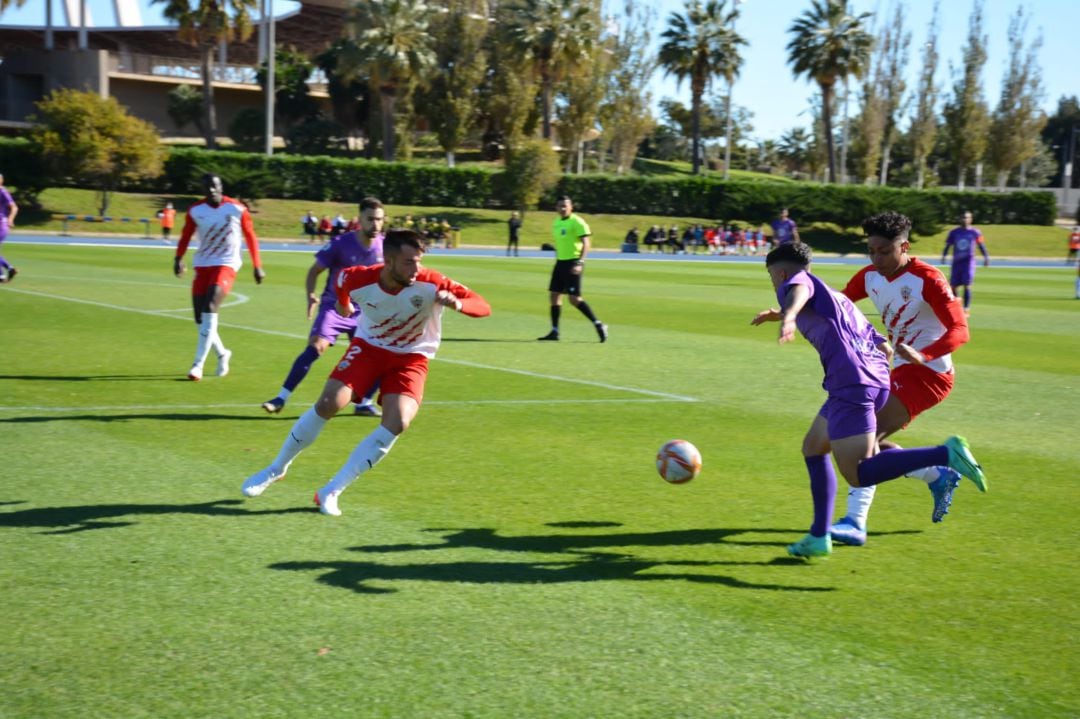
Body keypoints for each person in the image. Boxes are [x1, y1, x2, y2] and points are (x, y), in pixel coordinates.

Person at [751, 241, 987, 558]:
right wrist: (782, 313)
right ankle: (819, 535)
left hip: (852, 385)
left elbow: (798, 290)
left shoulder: (793, 283)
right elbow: (877, 341)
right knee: (814, 447)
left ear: (779, 272)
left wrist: (789, 314)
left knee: (859, 471)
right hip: (870, 380)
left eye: (772, 276)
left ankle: (944, 454)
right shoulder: (836, 297)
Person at [241, 229, 491, 516]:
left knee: (398, 422)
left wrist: (458, 303)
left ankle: (331, 490)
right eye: (409, 262)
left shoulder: (432, 282)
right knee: (329, 402)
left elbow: (483, 305)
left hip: (412, 358)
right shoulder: (359, 277)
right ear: (388, 259)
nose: (416, 268)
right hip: (369, 348)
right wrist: (343, 305)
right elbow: (341, 283)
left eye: (419, 261)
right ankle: (276, 469)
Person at [829, 211, 972, 546]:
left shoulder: (929, 279)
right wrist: (790, 310)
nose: (876, 259)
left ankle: (854, 522)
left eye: (884, 251)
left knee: (861, 439)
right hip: (900, 371)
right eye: (871, 252)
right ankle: (936, 474)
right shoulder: (870, 276)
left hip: (931, 375)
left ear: (904, 246)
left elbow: (961, 330)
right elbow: (837, 304)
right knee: (866, 443)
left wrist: (924, 354)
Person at [262, 197, 387, 417]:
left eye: (379, 219)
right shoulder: (341, 243)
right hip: (335, 307)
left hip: (365, 312)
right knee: (316, 347)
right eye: (370, 219)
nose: (375, 224)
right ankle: (281, 398)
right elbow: (314, 271)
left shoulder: (385, 247)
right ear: (360, 219)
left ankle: (364, 403)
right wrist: (311, 295)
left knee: (381, 356)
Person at [173, 173, 265, 381]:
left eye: (215, 186)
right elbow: (186, 235)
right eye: (207, 187)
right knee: (200, 318)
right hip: (203, 264)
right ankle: (223, 354)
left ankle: (198, 365)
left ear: (221, 187)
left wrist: (257, 265)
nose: (212, 190)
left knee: (210, 307)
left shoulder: (236, 208)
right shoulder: (196, 210)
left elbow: (251, 236)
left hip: (227, 264)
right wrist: (178, 258)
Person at [537, 196, 608, 342]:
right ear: (556, 208)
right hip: (560, 263)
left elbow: (586, 243)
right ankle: (555, 331)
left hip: (573, 262)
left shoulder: (577, 221)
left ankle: (599, 324)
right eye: (560, 206)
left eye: (565, 206)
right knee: (554, 296)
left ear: (571, 207)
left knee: (574, 299)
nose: (562, 209)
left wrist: (580, 262)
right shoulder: (556, 222)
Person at [941, 210, 989, 314]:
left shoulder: (976, 232)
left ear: (971, 219)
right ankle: (957, 307)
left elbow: (981, 246)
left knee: (967, 285)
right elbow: (948, 245)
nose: (964, 219)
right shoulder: (954, 232)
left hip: (968, 263)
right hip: (956, 262)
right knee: (954, 286)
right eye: (963, 217)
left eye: (967, 217)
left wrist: (986, 258)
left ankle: (966, 309)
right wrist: (944, 255)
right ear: (960, 219)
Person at [0, 172, 18, 283]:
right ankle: (6, 272)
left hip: (1, 224)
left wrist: (11, 219)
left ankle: (5, 272)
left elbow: (14, 207)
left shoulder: (3, 192)